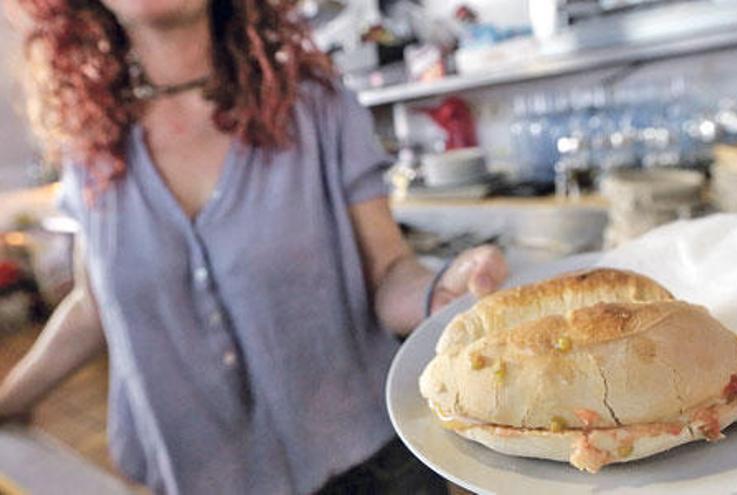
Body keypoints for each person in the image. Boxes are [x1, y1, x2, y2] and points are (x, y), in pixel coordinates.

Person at [0, 1, 508, 493]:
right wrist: (9, 400)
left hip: (370, 466)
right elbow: (94, 308)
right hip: (203, 477)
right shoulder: (93, 146)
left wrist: (439, 292)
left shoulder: (315, 105)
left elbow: (391, 271)